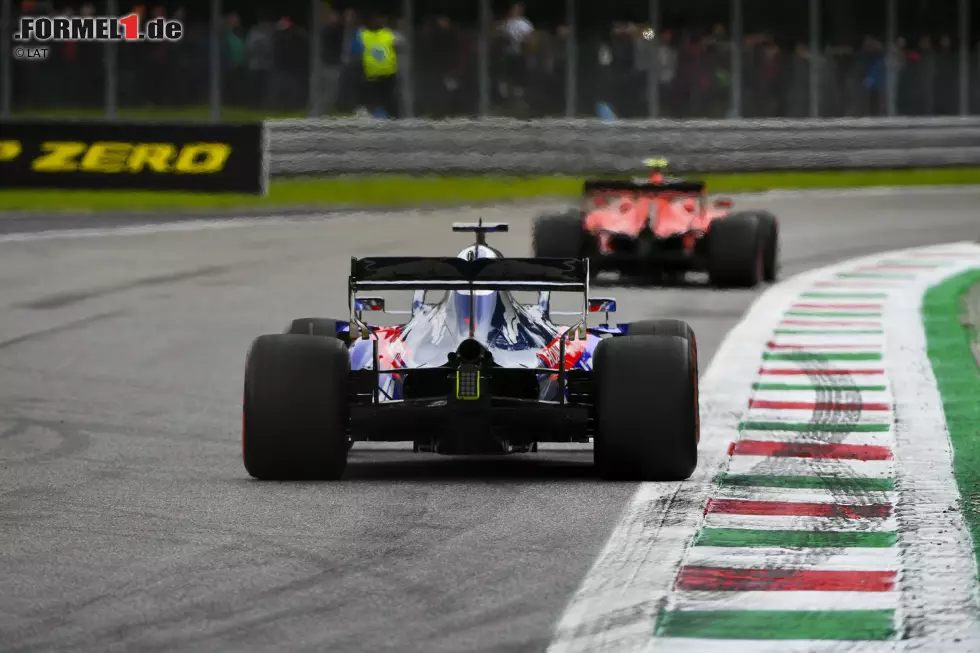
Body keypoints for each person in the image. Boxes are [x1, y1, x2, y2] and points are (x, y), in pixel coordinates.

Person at [354, 12, 399, 118]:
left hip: (388, 75)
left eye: (382, 18)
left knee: (389, 100)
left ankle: (391, 118)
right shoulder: (362, 34)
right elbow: (355, 52)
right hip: (371, 75)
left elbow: (399, 45)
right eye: (378, 18)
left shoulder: (389, 34)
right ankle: (375, 117)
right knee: (373, 100)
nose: (380, 21)